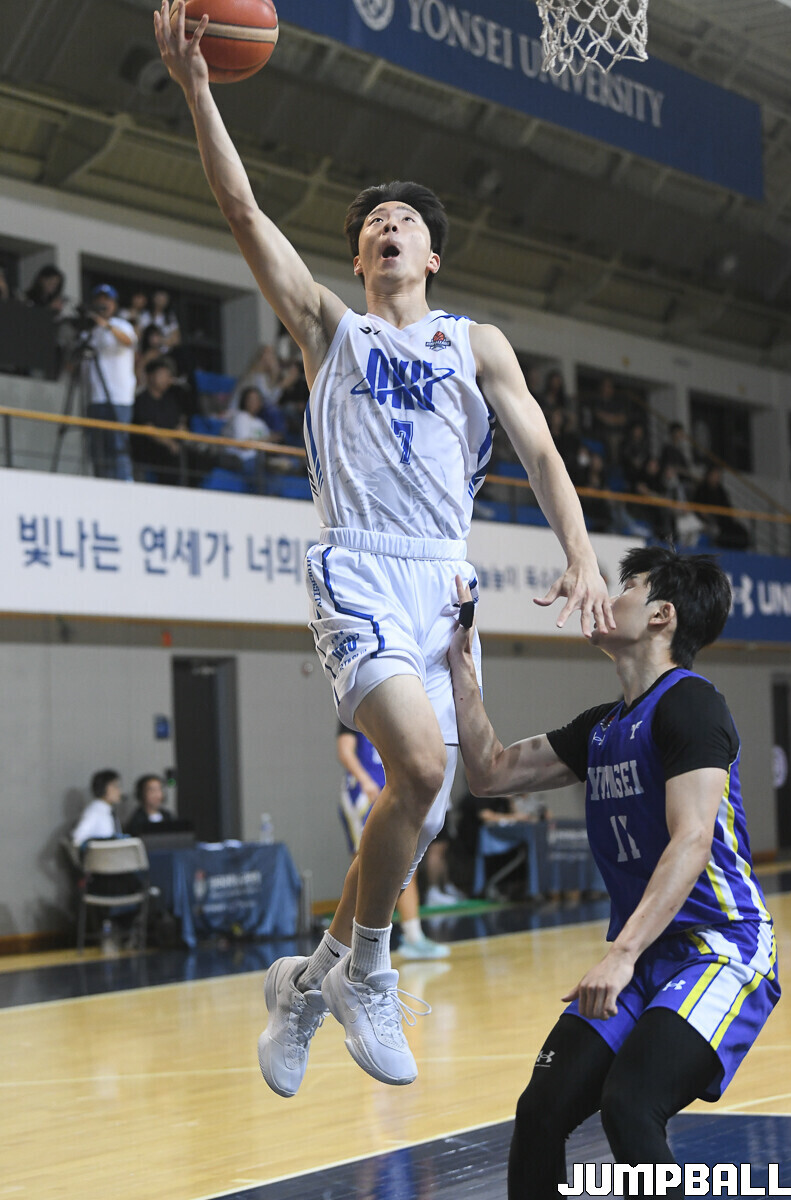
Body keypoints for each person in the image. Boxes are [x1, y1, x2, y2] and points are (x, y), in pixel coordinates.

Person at [156, 1, 611, 1097]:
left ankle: (306, 987)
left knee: (427, 803)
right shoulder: (331, 329)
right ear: (358, 258)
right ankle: (366, 967)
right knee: (420, 767)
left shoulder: (476, 342)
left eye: (405, 219)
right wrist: (199, 91)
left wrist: (583, 553)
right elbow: (241, 208)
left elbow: (541, 453)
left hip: (444, 578)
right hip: (360, 562)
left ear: (431, 253)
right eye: (373, 224)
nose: (388, 227)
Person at [447, 546, 780, 1198]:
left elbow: (693, 840)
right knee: (540, 1110)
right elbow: (489, 772)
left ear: (661, 615)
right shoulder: (601, 729)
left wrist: (621, 953)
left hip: (721, 947)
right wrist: (462, 665)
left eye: (627, 586)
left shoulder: (692, 704)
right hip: (646, 954)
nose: (608, 595)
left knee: (630, 1104)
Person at [336, 724, 449, 959]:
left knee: (406, 860)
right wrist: (365, 781)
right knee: (363, 866)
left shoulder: (400, 711)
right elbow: (345, 751)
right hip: (364, 793)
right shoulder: (356, 710)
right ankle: (350, 943)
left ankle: (413, 936)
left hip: (392, 788)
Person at [82, 283, 137, 480]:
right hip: (95, 398)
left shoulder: (121, 325)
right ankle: (101, 486)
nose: (103, 303)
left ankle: (124, 486)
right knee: (98, 449)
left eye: (107, 300)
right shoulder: (89, 331)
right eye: (100, 299)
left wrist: (105, 324)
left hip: (120, 398)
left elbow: (129, 341)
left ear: (114, 304)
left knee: (118, 446)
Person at [132, 355, 187, 484]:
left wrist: (182, 429)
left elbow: (179, 422)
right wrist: (169, 443)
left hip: (170, 451)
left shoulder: (170, 400)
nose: (166, 379)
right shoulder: (142, 399)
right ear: (150, 376)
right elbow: (148, 429)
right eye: (162, 375)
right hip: (148, 450)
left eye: (168, 375)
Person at [71, 769, 124, 847]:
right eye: (115, 786)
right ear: (104, 788)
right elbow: (77, 838)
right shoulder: (94, 811)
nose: (119, 791)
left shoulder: (110, 811)